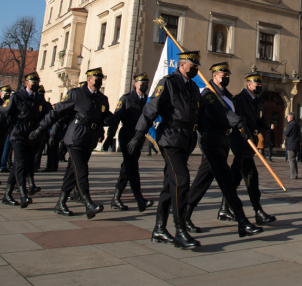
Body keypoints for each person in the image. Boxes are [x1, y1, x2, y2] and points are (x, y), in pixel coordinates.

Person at [127, 51, 204, 250]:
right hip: (170, 138)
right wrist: (138, 134)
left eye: (197, 66)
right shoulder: (168, 82)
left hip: (187, 139)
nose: (196, 69)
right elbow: (151, 108)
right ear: (183, 64)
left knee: (170, 183)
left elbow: (199, 115)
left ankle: (159, 228)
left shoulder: (194, 87)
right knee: (181, 180)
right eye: (193, 65)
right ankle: (180, 231)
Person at [183, 63, 263, 238]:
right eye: (222, 75)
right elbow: (220, 113)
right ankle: (242, 221)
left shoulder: (227, 95)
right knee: (225, 181)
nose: (226, 77)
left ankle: (184, 216)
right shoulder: (209, 94)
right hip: (211, 142)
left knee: (203, 181)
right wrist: (238, 121)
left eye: (227, 75)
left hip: (223, 142)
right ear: (214, 76)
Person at [36, 68, 112, 219]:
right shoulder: (76, 94)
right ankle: (88, 204)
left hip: (90, 139)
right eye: (96, 78)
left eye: (100, 78)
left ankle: (60, 203)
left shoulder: (102, 98)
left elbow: (101, 116)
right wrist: (41, 128)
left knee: (73, 171)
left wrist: (106, 124)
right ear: (89, 79)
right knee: (82, 170)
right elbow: (57, 112)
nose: (99, 81)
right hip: (76, 137)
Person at [0, 73, 48, 208]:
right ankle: (23, 194)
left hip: (32, 134)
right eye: (33, 82)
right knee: (21, 163)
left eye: (37, 82)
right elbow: (1, 115)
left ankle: (7, 194)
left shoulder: (38, 99)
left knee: (21, 165)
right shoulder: (16, 97)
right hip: (18, 133)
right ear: (26, 83)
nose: (35, 84)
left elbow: (47, 115)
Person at [226, 72, 276, 225]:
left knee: (234, 178)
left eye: (260, 84)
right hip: (241, 141)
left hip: (251, 142)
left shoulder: (258, 102)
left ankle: (224, 207)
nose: (259, 86)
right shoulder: (240, 100)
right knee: (251, 176)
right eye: (256, 84)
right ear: (249, 85)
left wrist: (265, 123)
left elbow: (258, 120)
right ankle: (258, 211)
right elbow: (238, 120)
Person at [104, 73, 154, 212]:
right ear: (135, 84)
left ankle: (116, 198)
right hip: (127, 136)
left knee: (127, 167)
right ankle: (139, 199)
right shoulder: (127, 99)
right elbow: (116, 119)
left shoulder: (147, 101)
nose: (144, 85)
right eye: (141, 83)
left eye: (146, 83)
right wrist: (109, 137)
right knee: (132, 167)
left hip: (139, 137)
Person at [283, 113, 300, 179]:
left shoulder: (290, 124)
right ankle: (295, 173)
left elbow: (286, 133)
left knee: (291, 159)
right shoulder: (297, 123)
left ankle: (293, 174)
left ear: (290, 118)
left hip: (291, 144)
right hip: (296, 143)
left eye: (287, 117)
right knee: (294, 159)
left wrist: (285, 131)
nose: (287, 118)